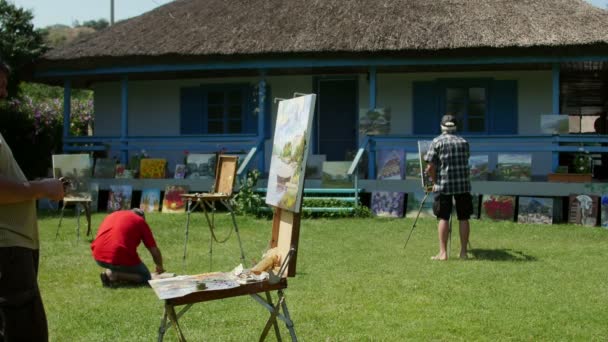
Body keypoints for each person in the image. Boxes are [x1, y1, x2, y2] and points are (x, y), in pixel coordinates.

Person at [0, 59, 65, 340]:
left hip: (16, 247)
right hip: (7, 250)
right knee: (28, 331)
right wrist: (41, 188)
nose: (3, 93)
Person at [424, 114, 472, 261]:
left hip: (444, 185)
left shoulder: (437, 142)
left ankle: (443, 253)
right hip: (463, 185)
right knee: (464, 217)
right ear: (455, 127)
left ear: (442, 126)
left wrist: (434, 181)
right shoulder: (464, 142)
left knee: (443, 217)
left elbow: (430, 167)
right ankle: (463, 252)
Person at [91, 208, 165, 287]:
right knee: (146, 276)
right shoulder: (140, 221)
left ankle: (114, 271)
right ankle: (115, 274)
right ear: (142, 218)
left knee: (120, 262)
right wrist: (159, 266)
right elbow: (154, 250)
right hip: (119, 256)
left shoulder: (112, 215)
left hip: (98, 256)